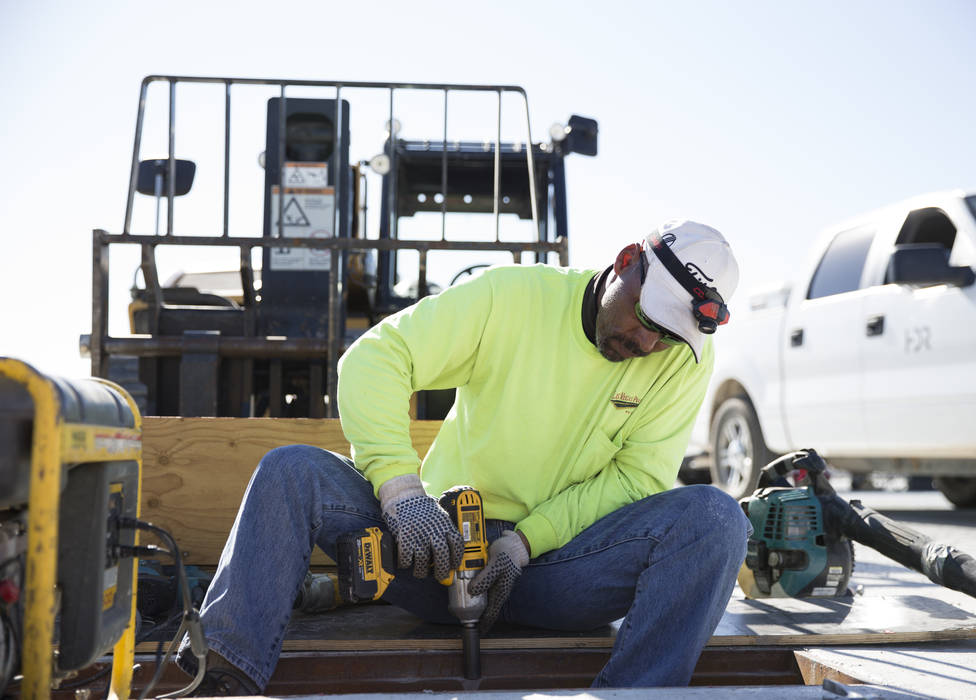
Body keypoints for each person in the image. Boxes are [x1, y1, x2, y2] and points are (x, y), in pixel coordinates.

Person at [177, 219, 752, 694]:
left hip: (559, 571)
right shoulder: (514, 297)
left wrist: (524, 543)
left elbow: (634, 480)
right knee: (291, 472)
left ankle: (635, 695)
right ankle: (220, 679)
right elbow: (375, 359)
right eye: (647, 318)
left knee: (716, 518)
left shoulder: (682, 361)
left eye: (668, 335)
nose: (648, 344)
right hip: (434, 553)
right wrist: (402, 494)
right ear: (626, 261)